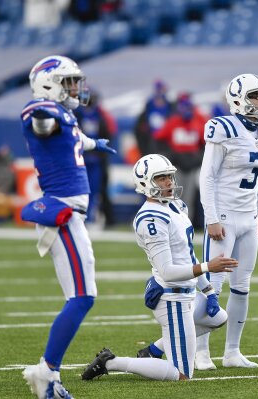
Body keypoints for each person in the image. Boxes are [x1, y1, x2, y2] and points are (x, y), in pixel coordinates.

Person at [80, 154, 238, 381]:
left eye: (169, 177)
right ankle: (112, 362)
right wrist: (207, 266)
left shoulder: (177, 206)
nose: (168, 182)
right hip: (171, 298)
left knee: (219, 318)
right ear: (145, 183)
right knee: (182, 374)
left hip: (187, 293)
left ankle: (152, 351)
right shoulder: (150, 218)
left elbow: (187, 255)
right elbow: (168, 271)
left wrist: (209, 291)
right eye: (161, 178)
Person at [20, 55, 117, 399]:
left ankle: (48, 371)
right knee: (82, 297)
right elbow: (39, 120)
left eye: (76, 81)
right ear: (48, 83)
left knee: (80, 296)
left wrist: (95, 143)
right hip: (63, 212)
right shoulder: (41, 110)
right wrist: (49, 108)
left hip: (71, 213)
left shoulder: (67, 116)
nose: (75, 88)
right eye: (68, 81)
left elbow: (73, 139)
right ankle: (46, 372)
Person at [196, 73, 258, 370]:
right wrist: (212, 218)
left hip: (248, 218)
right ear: (239, 100)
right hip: (225, 217)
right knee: (212, 287)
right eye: (257, 95)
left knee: (242, 286)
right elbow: (207, 175)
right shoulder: (222, 127)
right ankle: (200, 352)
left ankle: (232, 352)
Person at [155, 93, 207, 228]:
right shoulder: (173, 122)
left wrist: (196, 159)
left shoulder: (197, 123)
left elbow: (204, 144)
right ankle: (171, 225)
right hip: (175, 167)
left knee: (188, 198)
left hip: (191, 168)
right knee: (172, 197)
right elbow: (159, 139)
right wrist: (171, 157)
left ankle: (186, 226)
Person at [73, 90, 117, 226]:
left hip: (96, 158)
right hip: (81, 157)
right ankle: (79, 217)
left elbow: (110, 131)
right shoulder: (76, 114)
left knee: (95, 189)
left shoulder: (99, 114)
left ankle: (90, 217)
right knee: (80, 190)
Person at [134, 80, 173, 156]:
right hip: (151, 139)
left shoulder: (169, 106)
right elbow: (139, 128)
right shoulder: (149, 105)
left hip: (165, 140)